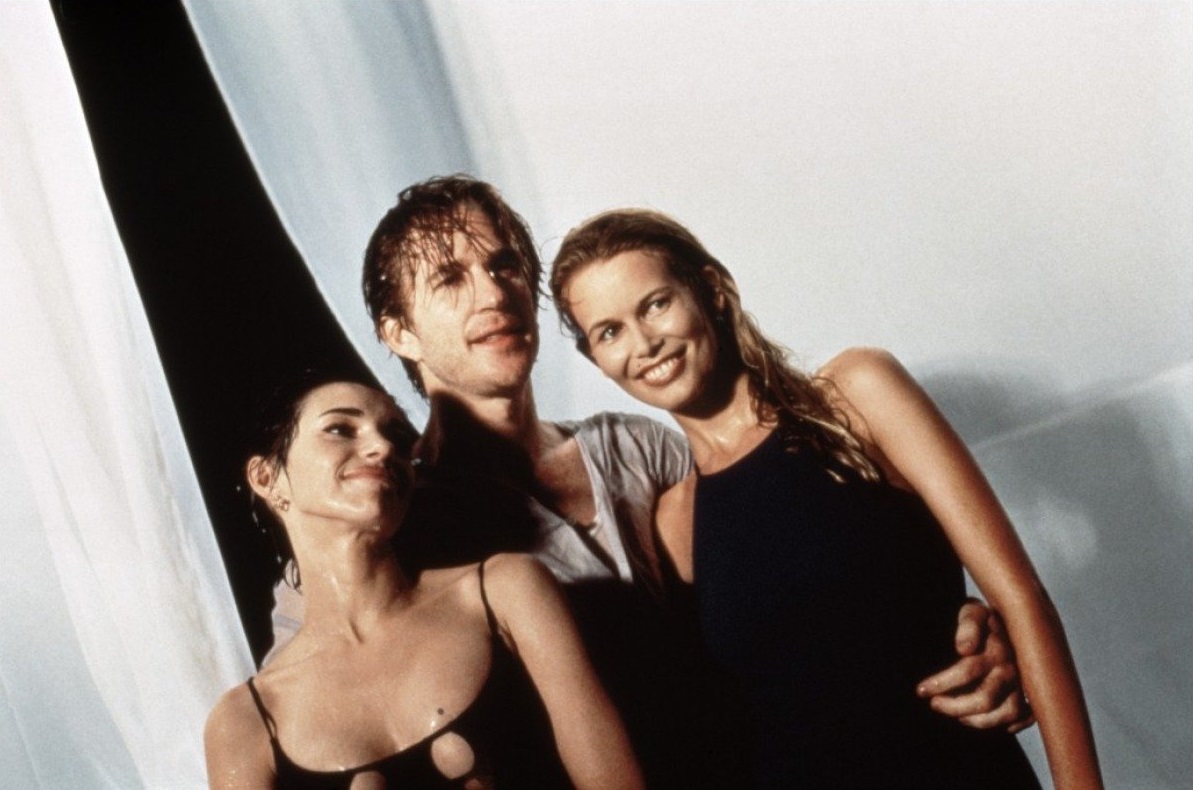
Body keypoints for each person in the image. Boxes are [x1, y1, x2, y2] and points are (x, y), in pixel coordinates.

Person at [273, 175, 1034, 785]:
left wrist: (957, 624)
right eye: (449, 279)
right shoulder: (390, 525)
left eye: (505, 265)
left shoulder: (642, 449)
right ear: (398, 332)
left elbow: (800, 580)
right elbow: (311, 700)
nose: (492, 293)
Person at [549, 208, 1103, 790]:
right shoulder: (672, 524)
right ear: (596, 361)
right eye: (609, 332)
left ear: (712, 289)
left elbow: (1021, 598)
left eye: (656, 304)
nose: (644, 343)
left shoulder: (855, 396)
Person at [204, 374, 643, 789]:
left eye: (396, 436)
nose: (382, 447)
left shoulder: (505, 592)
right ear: (267, 478)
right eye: (340, 429)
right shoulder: (244, 723)